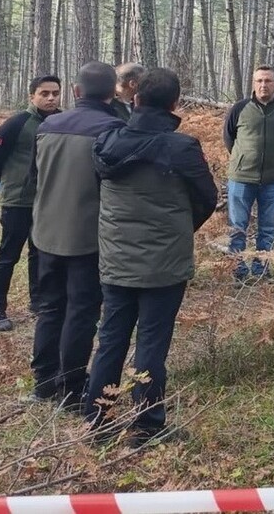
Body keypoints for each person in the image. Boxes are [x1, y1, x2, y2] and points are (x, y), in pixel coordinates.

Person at [84, 68, 217, 447]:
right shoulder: (182, 148)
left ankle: (97, 421)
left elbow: (100, 190)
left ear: (135, 98)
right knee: (152, 345)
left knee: (110, 340)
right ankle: (146, 426)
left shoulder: (107, 142)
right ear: (175, 104)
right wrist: (178, 230)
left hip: (117, 260)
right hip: (164, 265)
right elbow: (207, 199)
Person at [30, 62, 125, 407]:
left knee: (50, 307)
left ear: (75, 91)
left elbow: (33, 179)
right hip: (88, 238)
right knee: (82, 312)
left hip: (46, 234)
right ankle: (70, 387)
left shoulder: (47, 126)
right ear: (112, 92)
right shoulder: (113, 130)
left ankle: (43, 381)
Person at [0, 75, 62, 332]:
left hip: (48, 202)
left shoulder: (63, 121)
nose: (51, 98)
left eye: (55, 93)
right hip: (18, 202)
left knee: (40, 254)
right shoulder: (17, 124)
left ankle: (38, 302)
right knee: (8, 255)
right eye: (44, 93)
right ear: (32, 96)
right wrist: (14, 182)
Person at [223, 65, 274, 282]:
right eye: (259, 81)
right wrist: (243, 159)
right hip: (241, 178)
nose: (263, 85)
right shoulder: (240, 108)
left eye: (267, 81)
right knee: (238, 226)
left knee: (268, 227)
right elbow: (229, 137)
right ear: (253, 83)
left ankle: (261, 269)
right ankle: (238, 270)